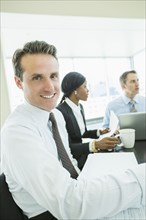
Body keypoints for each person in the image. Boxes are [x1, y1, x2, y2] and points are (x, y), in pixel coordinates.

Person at [1, 41, 145, 220]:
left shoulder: (55, 116)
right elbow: (70, 206)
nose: (50, 87)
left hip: (77, 189)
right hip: (53, 214)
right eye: (37, 77)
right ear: (18, 82)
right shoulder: (17, 132)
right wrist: (141, 178)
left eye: (53, 76)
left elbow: (69, 165)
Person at [57, 72, 115, 169]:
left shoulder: (80, 107)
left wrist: (99, 132)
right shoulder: (60, 112)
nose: (88, 90)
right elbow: (67, 148)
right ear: (75, 90)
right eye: (85, 86)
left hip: (83, 154)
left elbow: (81, 133)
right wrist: (95, 144)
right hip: (75, 161)